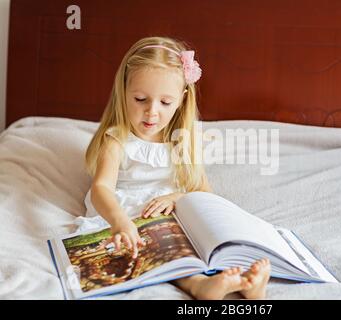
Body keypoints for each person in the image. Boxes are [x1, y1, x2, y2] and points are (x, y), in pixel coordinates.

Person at [78, 36, 271, 299]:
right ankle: (200, 286)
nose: (151, 112)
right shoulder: (117, 139)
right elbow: (101, 187)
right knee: (161, 251)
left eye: (165, 103)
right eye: (140, 99)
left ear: (181, 99)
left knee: (206, 237)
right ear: (123, 91)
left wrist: (177, 196)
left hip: (170, 211)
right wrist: (119, 221)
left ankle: (248, 282)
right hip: (126, 212)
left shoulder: (183, 140)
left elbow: (204, 191)